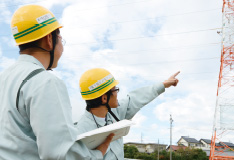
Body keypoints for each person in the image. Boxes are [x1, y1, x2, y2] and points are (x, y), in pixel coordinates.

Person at [0, 5, 113, 160]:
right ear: (49, 40)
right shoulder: (45, 82)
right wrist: (98, 154)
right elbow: (60, 154)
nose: (62, 47)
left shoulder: (4, 78)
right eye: (61, 39)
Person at [76, 68, 180, 159]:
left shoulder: (114, 113)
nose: (117, 93)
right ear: (104, 98)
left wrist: (164, 84)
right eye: (115, 90)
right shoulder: (81, 131)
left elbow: (135, 98)